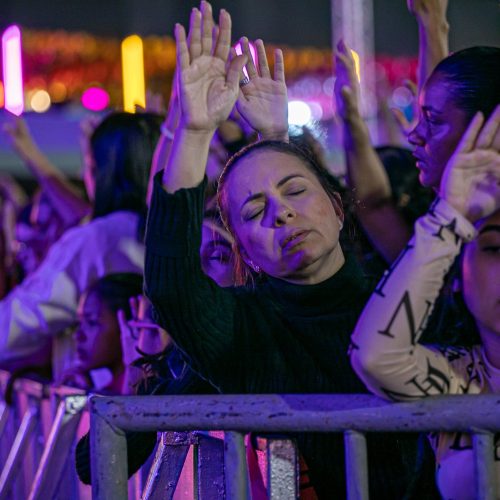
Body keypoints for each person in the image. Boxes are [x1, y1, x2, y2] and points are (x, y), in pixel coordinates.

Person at [144, 2, 422, 497]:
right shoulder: (243, 330)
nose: (282, 213)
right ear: (244, 253)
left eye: (296, 192)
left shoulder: (403, 301)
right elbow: (172, 285)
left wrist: (275, 137)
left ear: (338, 208)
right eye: (254, 213)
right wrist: (194, 132)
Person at [350, 106, 500, 499]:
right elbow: (375, 358)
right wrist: (447, 218)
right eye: (495, 249)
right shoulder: (461, 380)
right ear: (455, 280)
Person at [0, 112, 161, 374]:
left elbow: (17, 324)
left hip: (107, 402)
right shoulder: (182, 233)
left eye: (89, 165)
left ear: (101, 172)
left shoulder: (97, 237)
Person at [61, 273, 143, 393]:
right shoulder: (110, 391)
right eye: (79, 323)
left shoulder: (142, 395)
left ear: (127, 326)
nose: (78, 335)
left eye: (92, 322)